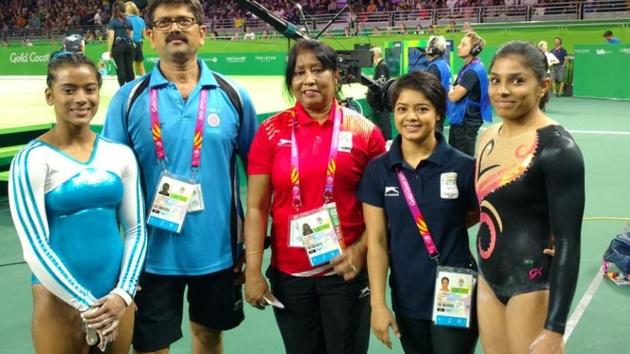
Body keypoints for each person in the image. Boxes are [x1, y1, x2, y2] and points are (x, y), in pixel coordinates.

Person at [101, 0, 258, 353]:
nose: (175, 28)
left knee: (208, 336)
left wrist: (253, 248)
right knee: (151, 346)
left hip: (219, 251)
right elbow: (111, 185)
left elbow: (259, 178)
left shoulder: (233, 96)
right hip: (148, 256)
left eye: (184, 20)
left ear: (202, 33)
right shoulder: (128, 100)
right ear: (151, 36)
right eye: (165, 22)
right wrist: (116, 258)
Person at [244, 39, 386, 354]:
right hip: (290, 277)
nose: (308, 79)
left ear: (336, 75)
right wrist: (253, 271)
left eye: (318, 69)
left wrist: (360, 248)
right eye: (299, 72)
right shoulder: (270, 132)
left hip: (345, 272)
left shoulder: (365, 132)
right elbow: (255, 207)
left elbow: (382, 208)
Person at [8, 53, 146, 353]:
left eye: (89, 89)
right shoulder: (32, 159)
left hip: (115, 301)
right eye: (69, 89)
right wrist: (86, 305)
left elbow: (136, 230)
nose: (81, 98)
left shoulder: (119, 155)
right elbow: (34, 247)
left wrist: (123, 294)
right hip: (58, 302)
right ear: (50, 95)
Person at [359, 71, 479, 354]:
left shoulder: (464, 167)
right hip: (407, 296)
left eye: (422, 109)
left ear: (438, 114)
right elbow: (376, 242)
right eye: (402, 109)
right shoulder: (379, 170)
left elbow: (484, 216)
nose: (410, 117)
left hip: (456, 291)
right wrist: (378, 304)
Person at [476, 41, 584, 354]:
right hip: (488, 279)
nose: (503, 90)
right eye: (496, 79)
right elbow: (485, 206)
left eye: (517, 80)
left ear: (543, 86)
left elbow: (568, 242)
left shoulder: (557, 149)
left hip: (532, 284)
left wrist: (555, 327)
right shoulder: (487, 137)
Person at [448, 32, 492, 157]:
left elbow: (453, 96)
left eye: (463, 45)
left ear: (474, 49)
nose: (458, 47)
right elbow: (454, 89)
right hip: (462, 118)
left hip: (466, 121)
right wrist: (453, 89)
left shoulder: (472, 71)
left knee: (463, 159)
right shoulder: (467, 68)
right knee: (454, 156)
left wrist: (451, 90)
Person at [425, 35, 452, 133]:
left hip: (434, 109)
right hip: (441, 107)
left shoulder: (434, 67)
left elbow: (427, 91)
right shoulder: (444, 64)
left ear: (432, 49)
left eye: (428, 46)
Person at [107, 1, 135, 86]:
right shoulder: (129, 21)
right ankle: (131, 87)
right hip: (129, 46)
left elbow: (111, 37)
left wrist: (109, 50)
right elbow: (131, 34)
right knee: (129, 68)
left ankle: (122, 87)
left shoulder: (112, 22)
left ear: (114, 11)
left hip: (118, 47)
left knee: (120, 68)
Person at [370, 46, 392, 140]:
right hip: (381, 101)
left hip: (381, 102)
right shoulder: (381, 65)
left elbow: (380, 84)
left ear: (375, 55)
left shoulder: (381, 66)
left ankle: (387, 140)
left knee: (384, 121)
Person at [125, 1, 147, 76]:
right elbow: (144, 35)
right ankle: (146, 83)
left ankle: (133, 85)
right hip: (139, 44)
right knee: (140, 65)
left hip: (129, 44)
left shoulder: (125, 20)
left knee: (131, 66)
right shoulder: (141, 20)